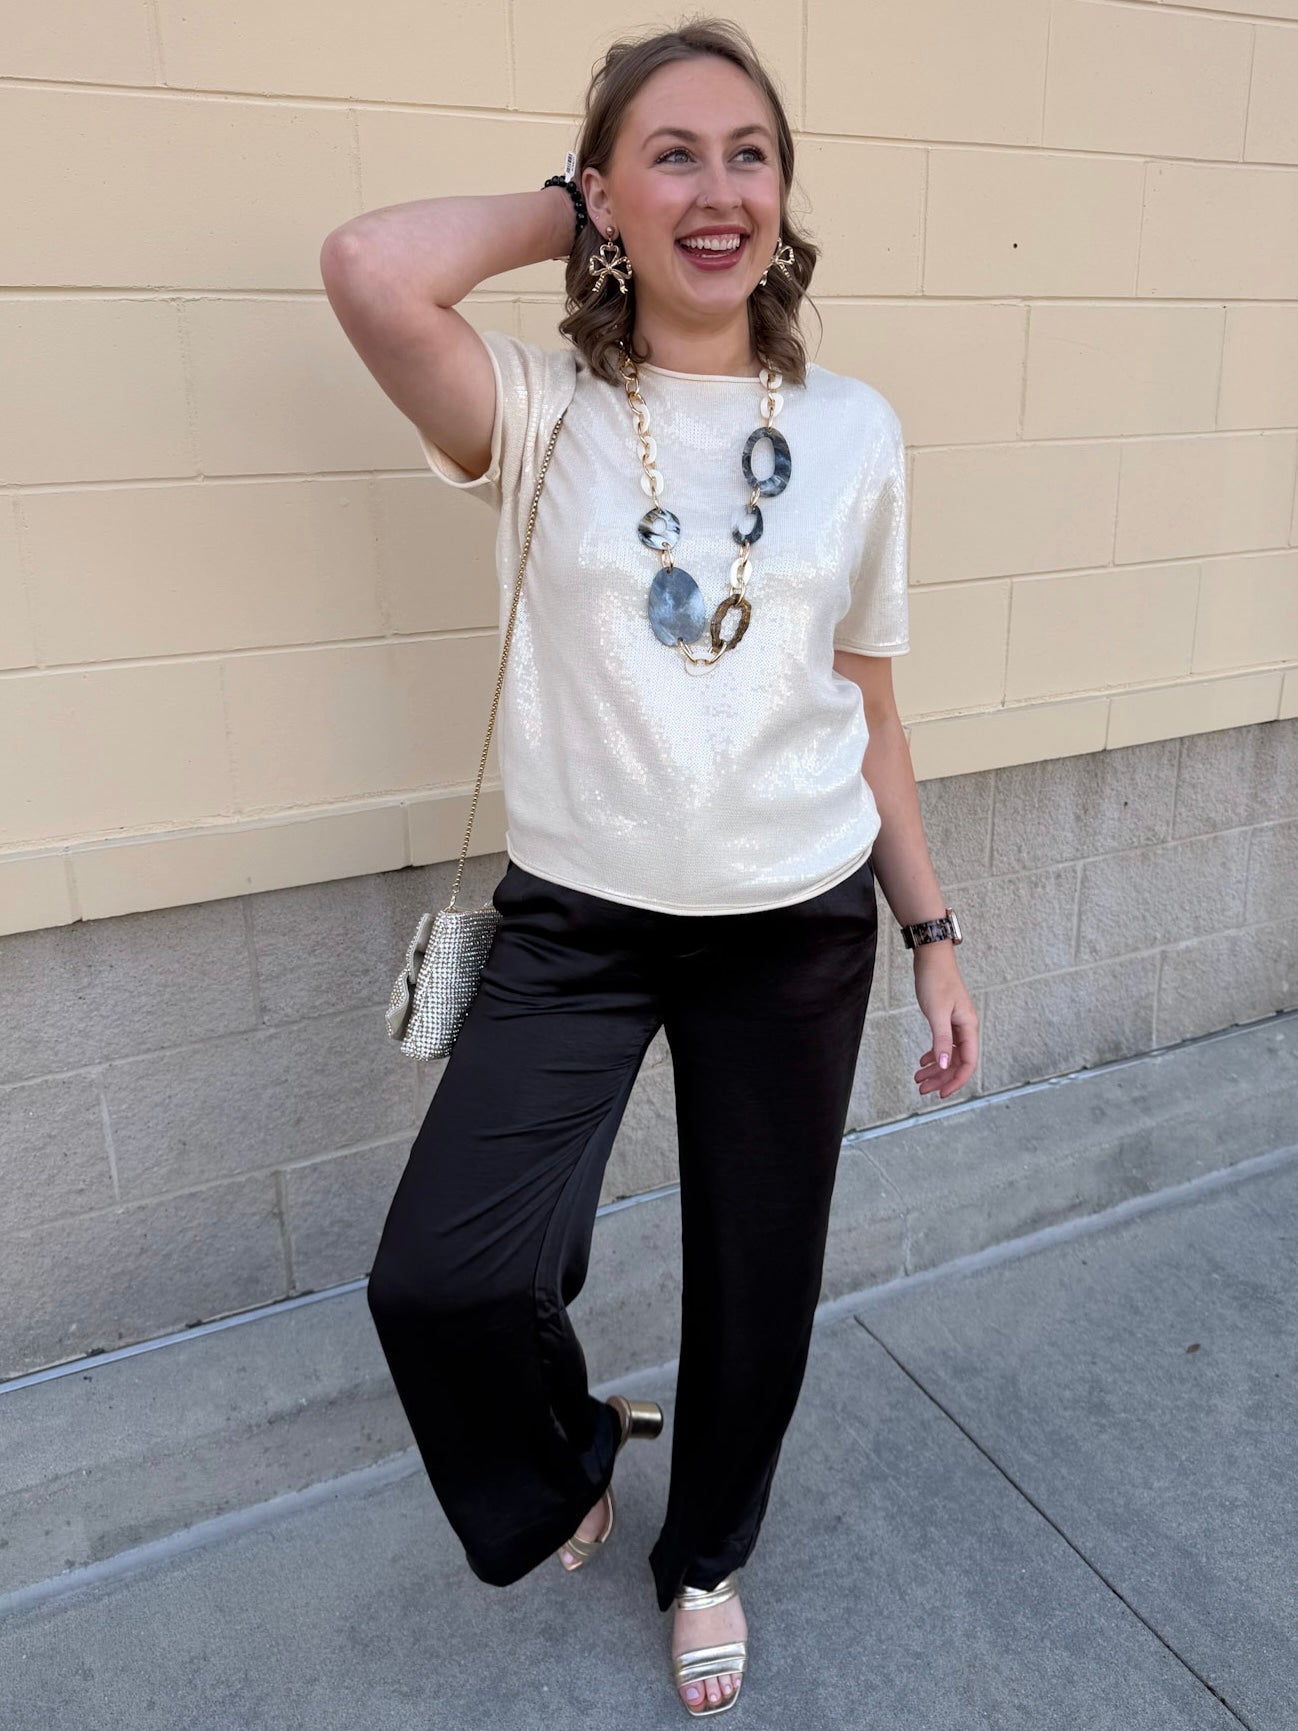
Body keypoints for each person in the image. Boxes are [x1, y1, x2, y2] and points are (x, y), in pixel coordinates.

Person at [320, 15, 978, 1717]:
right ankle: (570, 1450)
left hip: (795, 924)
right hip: (579, 923)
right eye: (668, 155)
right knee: (443, 1275)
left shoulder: (854, 430)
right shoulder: (538, 406)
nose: (717, 190)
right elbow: (371, 268)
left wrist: (931, 931)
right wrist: (570, 209)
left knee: (757, 1285)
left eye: (748, 155)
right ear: (603, 191)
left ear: (784, 193)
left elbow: (869, 703)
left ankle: (704, 1559)